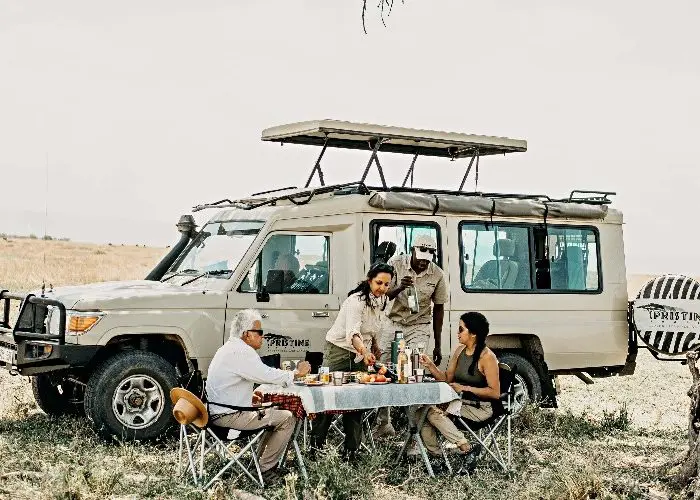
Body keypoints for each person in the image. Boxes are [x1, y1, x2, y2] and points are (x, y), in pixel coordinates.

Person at [205, 309, 312, 484]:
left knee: (274, 412)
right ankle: (265, 469)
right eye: (260, 332)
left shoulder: (228, 348)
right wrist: (296, 374)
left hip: (219, 412)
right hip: (229, 417)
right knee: (287, 418)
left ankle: (261, 462)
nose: (263, 337)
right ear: (247, 334)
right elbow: (266, 374)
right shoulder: (241, 352)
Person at [309, 262, 395, 459]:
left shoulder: (382, 301)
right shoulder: (356, 301)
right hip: (339, 350)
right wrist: (365, 352)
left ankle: (351, 451)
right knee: (327, 399)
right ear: (369, 280)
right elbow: (353, 333)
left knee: (356, 401)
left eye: (386, 284)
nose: (382, 288)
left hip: (360, 353)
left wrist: (374, 345)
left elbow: (372, 328)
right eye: (378, 283)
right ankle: (316, 449)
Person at [375, 234, 449, 437]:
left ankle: (413, 429)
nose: (424, 260)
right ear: (413, 250)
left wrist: (438, 344)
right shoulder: (395, 263)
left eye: (429, 256)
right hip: (393, 322)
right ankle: (384, 423)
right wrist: (401, 286)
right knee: (383, 369)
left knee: (413, 371)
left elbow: (439, 308)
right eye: (421, 254)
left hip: (419, 325)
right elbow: (381, 294)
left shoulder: (437, 274)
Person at [418, 312, 500, 467]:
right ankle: (438, 458)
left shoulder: (487, 357)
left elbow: (494, 392)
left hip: (480, 408)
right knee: (421, 413)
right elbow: (446, 378)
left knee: (432, 413)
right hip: (459, 402)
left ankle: (466, 448)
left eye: (461, 329)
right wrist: (430, 365)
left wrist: (464, 387)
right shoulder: (459, 350)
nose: (457, 333)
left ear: (473, 333)